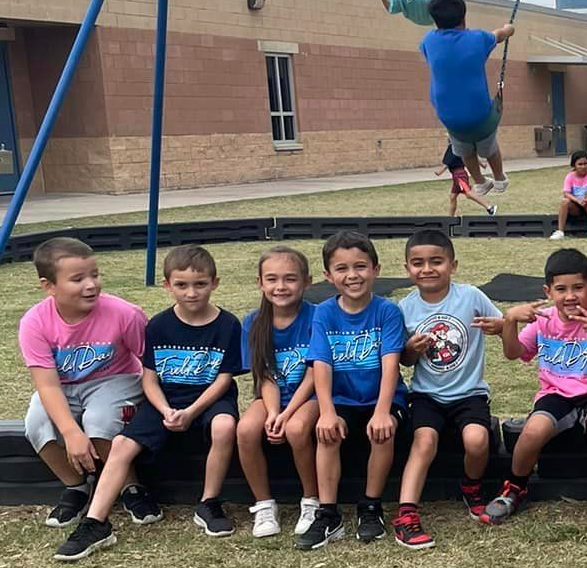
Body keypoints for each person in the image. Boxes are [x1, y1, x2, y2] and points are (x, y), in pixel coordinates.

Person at [53, 246, 244, 562]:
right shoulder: (157, 325)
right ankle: (95, 522)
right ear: (168, 285)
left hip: (209, 399)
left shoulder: (227, 324)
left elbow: (225, 379)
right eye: (181, 285)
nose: (191, 293)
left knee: (225, 426)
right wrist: (166, 409)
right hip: (164, 401)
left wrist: (193, 411)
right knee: (122, 444)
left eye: (200, 284)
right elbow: (149, 378)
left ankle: (209, 502)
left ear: (215, 283)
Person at [484, 248, 587, 532]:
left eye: (578, 288)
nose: (570, 296)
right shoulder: (543, 319)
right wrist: (510, 320)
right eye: (561, 289)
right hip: (556, 393)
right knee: (532, 431)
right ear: (548, 291)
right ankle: (515, 486)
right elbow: (514, 353)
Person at [20, 238, 152, 531]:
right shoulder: (35, 322)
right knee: (37, 421)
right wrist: (70, 432)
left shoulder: (124, 314)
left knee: (99, 420)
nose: (91, 284)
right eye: (77, 279)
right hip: (63, 386)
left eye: (95, 274)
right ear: (49, 286)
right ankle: (77, 486)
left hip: (115, 379)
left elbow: (150, 364)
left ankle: (130, 486)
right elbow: (48, 386)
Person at [296, 231, 408, 550]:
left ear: (376, 269)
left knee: (382, 433)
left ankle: (370, 507)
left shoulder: (387, 311)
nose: (352, 275)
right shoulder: (324, 313)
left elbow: (391, 365)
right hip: (342, 397)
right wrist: (328, 411)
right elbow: (321, 363)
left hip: (381, 397)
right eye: (342, 269)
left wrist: (383, 410)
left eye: (360, 266)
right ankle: (328, 513)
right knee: (326, 433)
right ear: (328, 276)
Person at [393, 230, 504, 549]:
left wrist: (501, 326)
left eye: (436, 261)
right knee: (424, 441)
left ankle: (471, 487)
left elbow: (501, 326)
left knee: (477, 440)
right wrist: (412, 348)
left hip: (470, 393)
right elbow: (405, 360)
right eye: (418, 263)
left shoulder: (470, 296)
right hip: (426, 395)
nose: (427, 268)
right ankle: (406, 513)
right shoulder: (405, 307)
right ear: (407, 268)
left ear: (452, 265)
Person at [236, 246, 322, 539]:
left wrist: (287, 414)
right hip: (272, 395)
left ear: (307, 282)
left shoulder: (317, 316)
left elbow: (315, 373)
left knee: (297, 429)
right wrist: (274, 413)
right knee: (246, 429)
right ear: (260, 283)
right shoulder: (253, 323)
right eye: (271, 279)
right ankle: (263, 504)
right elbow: (265, 375)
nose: (280, 287)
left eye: (290, 279)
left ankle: (312, 500)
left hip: (310, 396)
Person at [421, 0, 513, 195]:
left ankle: (479, 181)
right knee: (489, 149)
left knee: (464, 151)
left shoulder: (429, 41)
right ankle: (499, 178)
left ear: (435, 21)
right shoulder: (477, 39)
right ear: (464, 17)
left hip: (449, 118)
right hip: (479, 115)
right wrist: (508, 29)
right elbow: (498, 36)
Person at [434, 142, 496, 217]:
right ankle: (450, 217)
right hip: (458, 175)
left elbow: (446, 164)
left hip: (459, 175)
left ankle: (489, 207)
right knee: (452, 197)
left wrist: (439, 172)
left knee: (468, 193)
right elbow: (472, 156)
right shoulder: (462, 146)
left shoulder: (452, 147)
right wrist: (482, 164)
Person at [554, 151, 587, 240]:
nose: (583, 167)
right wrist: (577, 200)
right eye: (580, 164)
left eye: (585, 164)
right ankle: (560, 231)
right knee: (565, 201)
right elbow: (566, 193)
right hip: (576, 205)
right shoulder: (570, 176)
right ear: (574, 166)